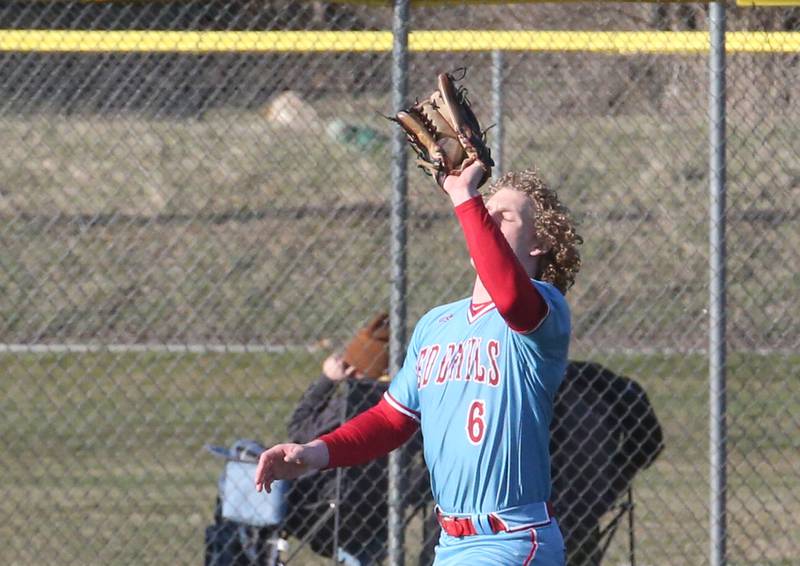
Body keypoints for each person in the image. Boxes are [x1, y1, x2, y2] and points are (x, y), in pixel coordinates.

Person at [255, 160, 583, 565]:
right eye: (486, 213)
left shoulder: (544, 311)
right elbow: (392, 419)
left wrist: (465, 196)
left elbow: (512, 299)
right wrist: (315, 452)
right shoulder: (437, 324)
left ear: (539, 242)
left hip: (513, 540)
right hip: (452, 545)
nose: (486, 219)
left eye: (504, 216)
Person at [281, 313, 434, 565]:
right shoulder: (409, 411)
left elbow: (298, 429)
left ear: (354, 370)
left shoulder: (349, 407)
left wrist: (327, 381)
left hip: (325, 510)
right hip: (382, 517)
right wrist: (405, 494)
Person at [550, 361, 664, 566]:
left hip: (572, 504)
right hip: (582, 504)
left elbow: (649, 443)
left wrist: (615, 478)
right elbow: (650, 445)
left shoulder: (584, 383)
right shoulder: (591, 381)